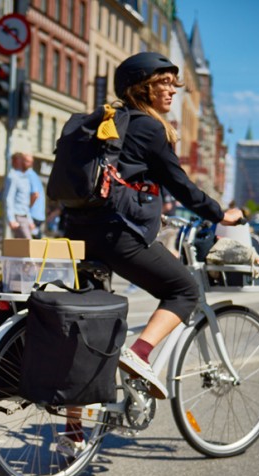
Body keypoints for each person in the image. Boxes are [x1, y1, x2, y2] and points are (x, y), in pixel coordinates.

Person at [62, 52, 245, 406]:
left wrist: (148, 212)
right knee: (185, 289)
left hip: (77, 232)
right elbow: (180, 185)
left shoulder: (109, 124)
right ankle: (140, 354)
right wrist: (220, 214)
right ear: (141, 87)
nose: (172, 91)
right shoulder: (149, 127)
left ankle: (74, 431)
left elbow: (118, 181)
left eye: (173, 84)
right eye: (164, 83)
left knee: (89, 329)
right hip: (116, 236)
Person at [3, 153, 33, 239]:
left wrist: (30, 220)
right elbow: (9, 198)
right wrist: (11, 219)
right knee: (29, 245)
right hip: (18, 217)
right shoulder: (13, 177)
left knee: (21, 249)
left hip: (25, 216)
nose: (29, 164)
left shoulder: (26, 178)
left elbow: (25, 202)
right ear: (19, 162)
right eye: (26, 161)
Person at [23, 153, 46, 237]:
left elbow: (35, 194)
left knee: (28, 245)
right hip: (38, 215)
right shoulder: (34, 175)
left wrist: (26, 208)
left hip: (32, 215)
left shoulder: (28, 175)